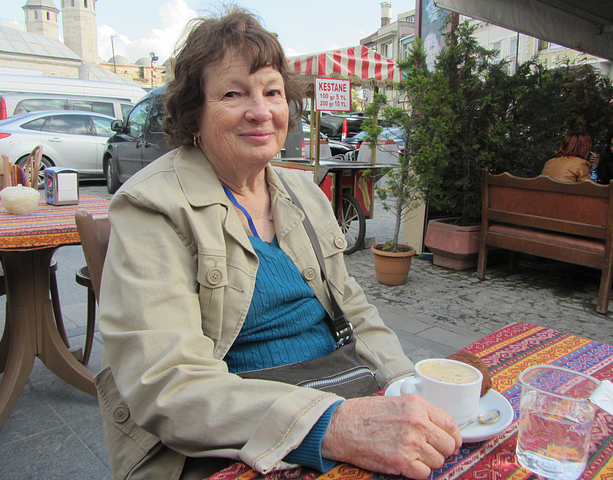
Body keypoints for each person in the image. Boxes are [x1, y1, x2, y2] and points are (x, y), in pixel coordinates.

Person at [96, 7, 461, 480]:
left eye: (272, 92)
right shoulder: (151, 206)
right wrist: (332, 425)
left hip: (339, 388)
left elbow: (354, 309)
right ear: (194, 116)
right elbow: (169, 384)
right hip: (234, 433)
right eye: (233, 94)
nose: (261, 111)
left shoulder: (303, 192)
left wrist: (405, 388)